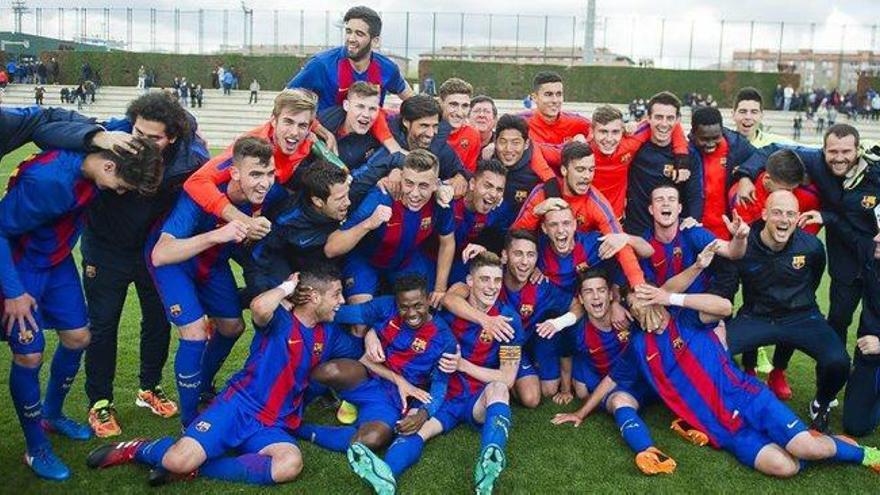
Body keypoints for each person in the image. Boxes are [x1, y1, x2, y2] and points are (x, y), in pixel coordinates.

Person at [85, 266, 363, 487]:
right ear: (314, 296)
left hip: (274, 423)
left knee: (289, 464)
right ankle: (140, 449)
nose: (341, 301)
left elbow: (361, 356)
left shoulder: (330, 335)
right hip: (238, 406)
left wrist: (374, 340)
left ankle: (196, 469)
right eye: (336, 294)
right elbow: (258, 308)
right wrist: (286, 287)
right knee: (178, 460)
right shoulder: (280, 319)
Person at [0, 138, 163, 481]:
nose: (120, 193)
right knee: (29, 356)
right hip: (20, 267)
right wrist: (13, 291)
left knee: (78, 337)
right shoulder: (47, 181)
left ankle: (52, 414)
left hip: (57, 263)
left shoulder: (106, 153)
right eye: (121, 186)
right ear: (108, 166)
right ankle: (35, 447)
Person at [605, 283, 880, 477]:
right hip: (724, 429)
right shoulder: (639, 346)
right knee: (786, 467)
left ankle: (866, 454)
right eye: (633, 304)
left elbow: (724, 307)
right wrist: (581, 411)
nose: (640, 306)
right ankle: (828, 443)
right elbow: (614, 379)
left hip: (749, 398)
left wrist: (671, 298)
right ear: (632, 313)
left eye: (644, 297)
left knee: (805, 448)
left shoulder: (685, 318)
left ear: (656, 297)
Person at [82, 93, 210, 437]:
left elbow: (207, 175)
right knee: (103, 324)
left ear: (171, 137)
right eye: (139, 132)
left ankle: (149, 387)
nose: (142, 142)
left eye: (153, 138)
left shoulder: (188, 157)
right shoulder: (113, 137)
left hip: (150, 252)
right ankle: (100, 402)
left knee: (157, 318)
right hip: (104, 249)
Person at [347, 253, 523, 495]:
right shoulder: (448, 305)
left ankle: (490, 460)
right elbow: (412, 313)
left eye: (496, 280)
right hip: (442, 391)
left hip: (477, 398)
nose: (491, 287)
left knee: (500, 389)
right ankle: (386, 474)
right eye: (484, 279)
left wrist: (463, 365)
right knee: (416, 428)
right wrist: (372, 334)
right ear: (469, 281)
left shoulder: (510, 319)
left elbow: (507, 378)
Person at [147, 137, 285, 428]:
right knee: (195, 333)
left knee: (232, 327)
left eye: (270, 174)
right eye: (256, 174)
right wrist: (217, 235)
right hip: (177, 264)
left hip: (213, 265)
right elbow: (161, 255)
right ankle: (189, 421)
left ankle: (203, 386)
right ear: (234, 173)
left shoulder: (269, 197)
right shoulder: (200, 197)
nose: (265, 183)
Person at [712, 191, 851, 432]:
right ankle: (736, 398)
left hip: (802, 316)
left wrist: (802, 307)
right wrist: (720, 321)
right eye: (777, 212)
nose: (784, 219)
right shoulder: (743, 244)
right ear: (764, 214)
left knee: (839, 362)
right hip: (757, 316)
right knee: (713, 351)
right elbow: (727, 287)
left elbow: (813, 281)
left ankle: (821, 403)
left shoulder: (812, 247)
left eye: (790, 214)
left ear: (798, 218)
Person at [295, 274, 458, 457]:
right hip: (367, 375)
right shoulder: (386, 306)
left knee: (370, 440)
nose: (411, 313)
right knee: (328, 371)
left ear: (428, 300)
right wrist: (297, 303)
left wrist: (422, 415)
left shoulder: (445, 340)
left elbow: (439, 387)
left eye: (418, 305)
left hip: (393, 399)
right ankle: (294, 410)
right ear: (396, 303)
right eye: (404, 307)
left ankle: (301, 430)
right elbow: (344, 314)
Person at [551, 269, 677, 476]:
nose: (596, 296)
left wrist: (619, 304)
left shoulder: (630, 312)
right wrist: (568, 393)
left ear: (611, 295)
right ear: (581, 299)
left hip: (652, 378)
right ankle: (649, 451)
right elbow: (566, 354)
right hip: (619, 383)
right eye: (589, 292)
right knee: (611, 399)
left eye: (601, 290)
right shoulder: (577, 332)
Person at [442, 230, 574, 408]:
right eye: (518, 254)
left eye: (530, 255)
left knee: (535, 397)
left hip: (511, 347)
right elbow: (450, 298)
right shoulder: (491, 274)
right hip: (479, 347)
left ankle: (501, 380)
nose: (524, 262)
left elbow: (577, 305)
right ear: (504, 256)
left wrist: (558, 323)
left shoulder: (540, 285)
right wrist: (485, 319)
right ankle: (491, 381)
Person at [328, 149, 455, 308]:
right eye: (409, 183)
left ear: (436, 184)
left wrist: (440, 288)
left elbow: (447, 242)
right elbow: (331, 248)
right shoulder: (380, 197)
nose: (415, 194)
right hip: (365, 262)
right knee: (361, 324)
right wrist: (368, 223)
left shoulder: (442, 201)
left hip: (405, 262)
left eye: (423, 185)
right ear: (400, 177)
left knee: (424, 309)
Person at [512, 142, 646, 289]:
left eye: (591, 170)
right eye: (580, 170)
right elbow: (514, 237)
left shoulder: (597, 203)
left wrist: (638, 285)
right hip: (541, 267)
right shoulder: (542, 193)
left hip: (578, 270)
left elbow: (619, 243)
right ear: (564, 170)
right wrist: (535, 213)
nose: (587, 176)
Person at [184, 89, 318, 232]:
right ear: (273, 120)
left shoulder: (307, 143)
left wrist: (326, 134)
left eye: (302, 125)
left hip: (259, 203)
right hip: (220, 208)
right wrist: (244, 220)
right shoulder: (251, 147)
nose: (294, 132)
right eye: (288, 122)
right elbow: (196, 181)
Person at [245, 160, 354, 294]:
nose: (348, 202)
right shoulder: (286, 220)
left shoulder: (349, 192)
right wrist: (267, 295)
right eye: (340, 199)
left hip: (347, 263)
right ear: (318, 201)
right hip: (304, 272)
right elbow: (258, 260)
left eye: (347, 194)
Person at [286, 5, 413, 112]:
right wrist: (316, 129)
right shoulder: (321, 64)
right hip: (328, 137)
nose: (351, 39)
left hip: (368, 138)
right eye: (348, 31)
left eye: (359, 34)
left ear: (375, 41)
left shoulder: (387, 68)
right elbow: (285, 98)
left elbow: (411, 99)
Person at [624, 91, 698, 236]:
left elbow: (694, 193)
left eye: (670, 118)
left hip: (671, 236)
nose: (664, 124)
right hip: (636, 231)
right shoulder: (635, 147)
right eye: (658, 117)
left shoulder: (688, 155)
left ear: (678, 120)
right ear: (648, 118)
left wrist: (694, 218)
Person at [688, 106, 764, 239]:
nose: (711, 144)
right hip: (697, 231)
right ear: (694, 134)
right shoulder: (685, 153)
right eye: (704, 139)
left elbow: (763, 157)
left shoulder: (737, 146)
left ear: (722, 131)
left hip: (729, 230)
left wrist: (745, 176)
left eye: (715, 137)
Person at [488, 114, 556, 230]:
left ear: (526, 144)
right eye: (503, 142)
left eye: (516, 143)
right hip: (486, 231)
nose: (508, 149)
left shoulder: (537, 169)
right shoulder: (486, 161)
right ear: (495, 141)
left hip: (523, 234)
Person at [842, 231, 880, 437]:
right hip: (870, 353)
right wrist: (825, 216)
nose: (876, 238)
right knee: (856, 425)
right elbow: (845, 230)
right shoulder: (870, 251)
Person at [521, 71, 591, 148]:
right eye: (548, 94)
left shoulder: (578, 123)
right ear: (535, 98)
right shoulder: (521, 123)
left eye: (559, 94)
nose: (555, 100)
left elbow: (600, 132)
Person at [438, 78, 482, 172]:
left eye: (465, 106)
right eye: (453, 105)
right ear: (440, 103)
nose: (459, 112)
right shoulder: (428, 128)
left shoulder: (473, 135)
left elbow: (469, 172)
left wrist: (462, 176)